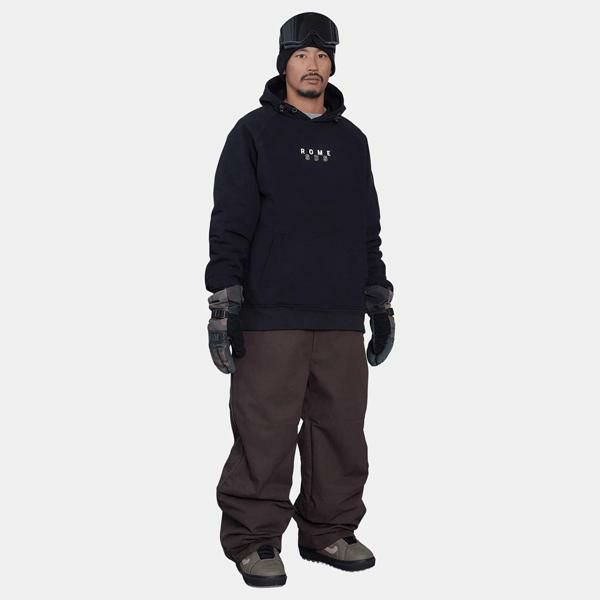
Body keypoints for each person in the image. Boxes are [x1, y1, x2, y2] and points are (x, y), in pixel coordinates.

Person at [204, 12, 395, 587]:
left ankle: (329, 530)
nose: (312, 64)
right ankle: (254, 539)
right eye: (301, 54)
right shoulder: (254, 134)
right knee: (264, 431)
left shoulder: (352, 142)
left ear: (332, 63)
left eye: (322, 54)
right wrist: (224, 303)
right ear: (283, 63)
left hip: (340, 315)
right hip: (271, 315)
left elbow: (367, 227)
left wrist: (378, 299)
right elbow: (230, 222)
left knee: (341, 430)